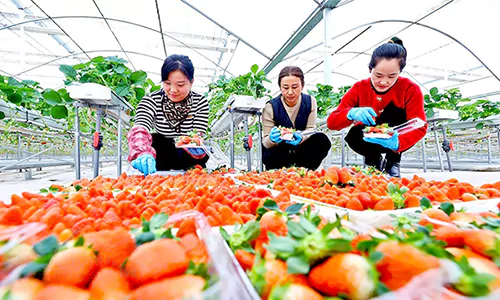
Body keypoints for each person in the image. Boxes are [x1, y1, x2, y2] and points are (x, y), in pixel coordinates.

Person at [326, 37, 427, 178]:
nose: (384, 82)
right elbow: (332, 122)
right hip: (368, 138)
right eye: (378, 75)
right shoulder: (359, 88)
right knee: (353, 136)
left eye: (392, 76)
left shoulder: (410, 89)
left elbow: (420, 125)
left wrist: (398, 143)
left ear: (400, 72)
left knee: (397, 113)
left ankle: (393, 161)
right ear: (370, 69)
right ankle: (373, 160)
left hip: (395, 135)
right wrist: (350, 113)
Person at [127, 54, 209, 175]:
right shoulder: (151, 100)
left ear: (191, 82)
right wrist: (142, 151)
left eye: (180, 84)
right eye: (167, 83)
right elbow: (140, 127)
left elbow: (197, 135)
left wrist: (198, 145)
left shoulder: (200, 102)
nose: (173, 90)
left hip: (189, 158)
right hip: (161, 157)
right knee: (158, 139)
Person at [262, 66, 331, 170]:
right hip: (280, 153)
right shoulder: (271, 106)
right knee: (269, 154)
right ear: (280, 87)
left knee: (321, 140)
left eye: (295, 87)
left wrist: (301, 138)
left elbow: (311, 129)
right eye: (285, 87)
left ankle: (305, 172)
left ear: (302, 86)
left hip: (301, 151)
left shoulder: (310, 102)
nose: (290, 92)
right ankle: (278, 174)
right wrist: (272, 139)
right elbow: (266, 142)